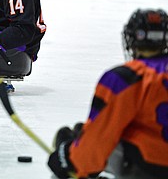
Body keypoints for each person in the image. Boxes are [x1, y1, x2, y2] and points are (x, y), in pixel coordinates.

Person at [47, 9, 168, 178]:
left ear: (131, 40)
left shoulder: (125, 78)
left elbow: (95, 144)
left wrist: (67, 158)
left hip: (147, 170)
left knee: (78, 141)